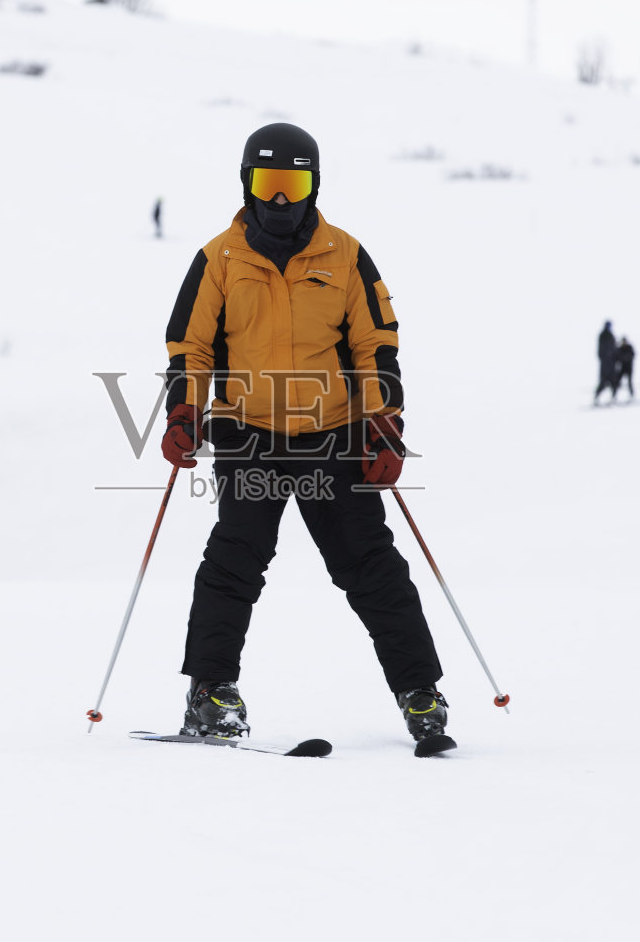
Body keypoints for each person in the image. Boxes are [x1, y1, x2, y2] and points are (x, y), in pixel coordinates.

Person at [159, 123, 449, 747]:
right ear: (248, 184)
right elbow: (191, 345)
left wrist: (384, 427)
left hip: (331, 435)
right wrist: (183, 413)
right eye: (270, 184)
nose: (282, 201)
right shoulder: (219, 259)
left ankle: (419, 691)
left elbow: (377, 346)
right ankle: (210, 691)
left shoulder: (345, 255)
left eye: (294, 184)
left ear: (314, 186)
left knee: (370, 565)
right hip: (249, 433)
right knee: (235, 559)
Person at [594, 320, 619, 405]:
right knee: (603, 382)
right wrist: (603, 358)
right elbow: (600, 349)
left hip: (611, 363)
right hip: (605, 363)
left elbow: (614, 349)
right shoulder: (603, 335)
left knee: (614, 382)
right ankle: (596, 397)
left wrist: (615, 358)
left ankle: (614, 397)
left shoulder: (611, 336)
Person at [616, 336, 636, 400]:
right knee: (617, 382)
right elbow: (617, 357)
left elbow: (632, 355)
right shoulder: (620, 348)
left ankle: (632, 395)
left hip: (629, 368)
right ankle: (614, 395)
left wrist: (625, 358)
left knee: (629, 383)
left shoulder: (629, 348)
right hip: (622, 368)